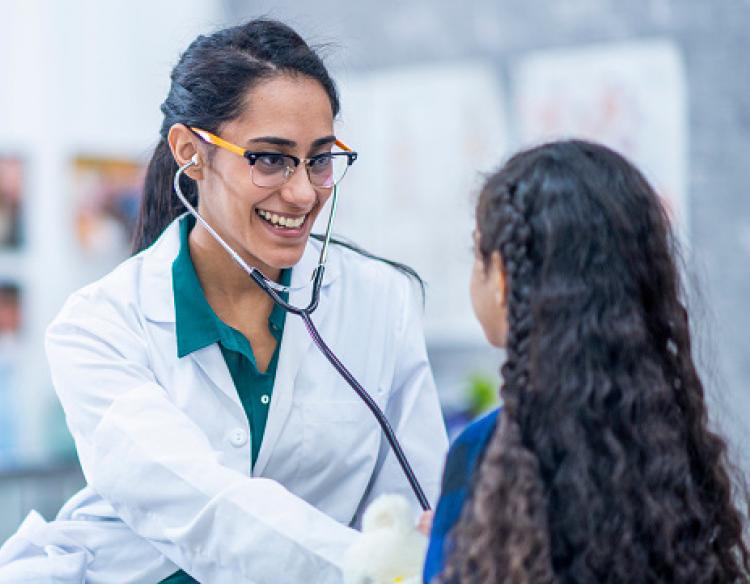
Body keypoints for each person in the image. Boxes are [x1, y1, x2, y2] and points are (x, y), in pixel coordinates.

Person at [0, 19, 447, 583]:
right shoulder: (99, 324)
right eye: (269, 158)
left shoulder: (381, 302)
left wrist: (419, 552)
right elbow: (194, 503)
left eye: (320, 159)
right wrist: (368, 566)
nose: (304, 191)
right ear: (191, 153)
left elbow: (411, 505)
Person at [422, 140, 750, 583]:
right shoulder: (671, 442)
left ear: (500, 277)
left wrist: (441, 548)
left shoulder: (483, 453)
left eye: (476, 251)